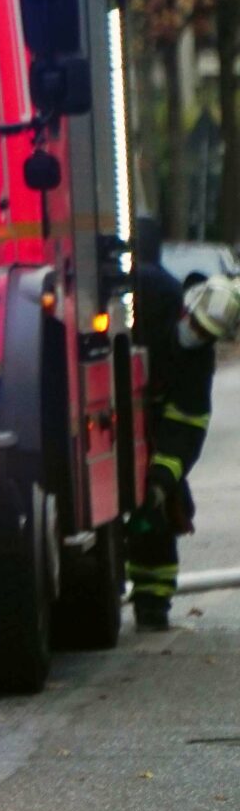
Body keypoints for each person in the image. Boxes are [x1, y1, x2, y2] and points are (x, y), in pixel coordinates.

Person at [131, 225, 235, 631]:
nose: (195, 337)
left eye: (206, 336)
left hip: (154, 429)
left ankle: (152, 605)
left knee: (159, 514)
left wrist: (160, 480)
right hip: (114, 413)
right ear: (188, 304)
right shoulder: (150, 292)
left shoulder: (198, 360)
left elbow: (188, 424)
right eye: (195, 325)